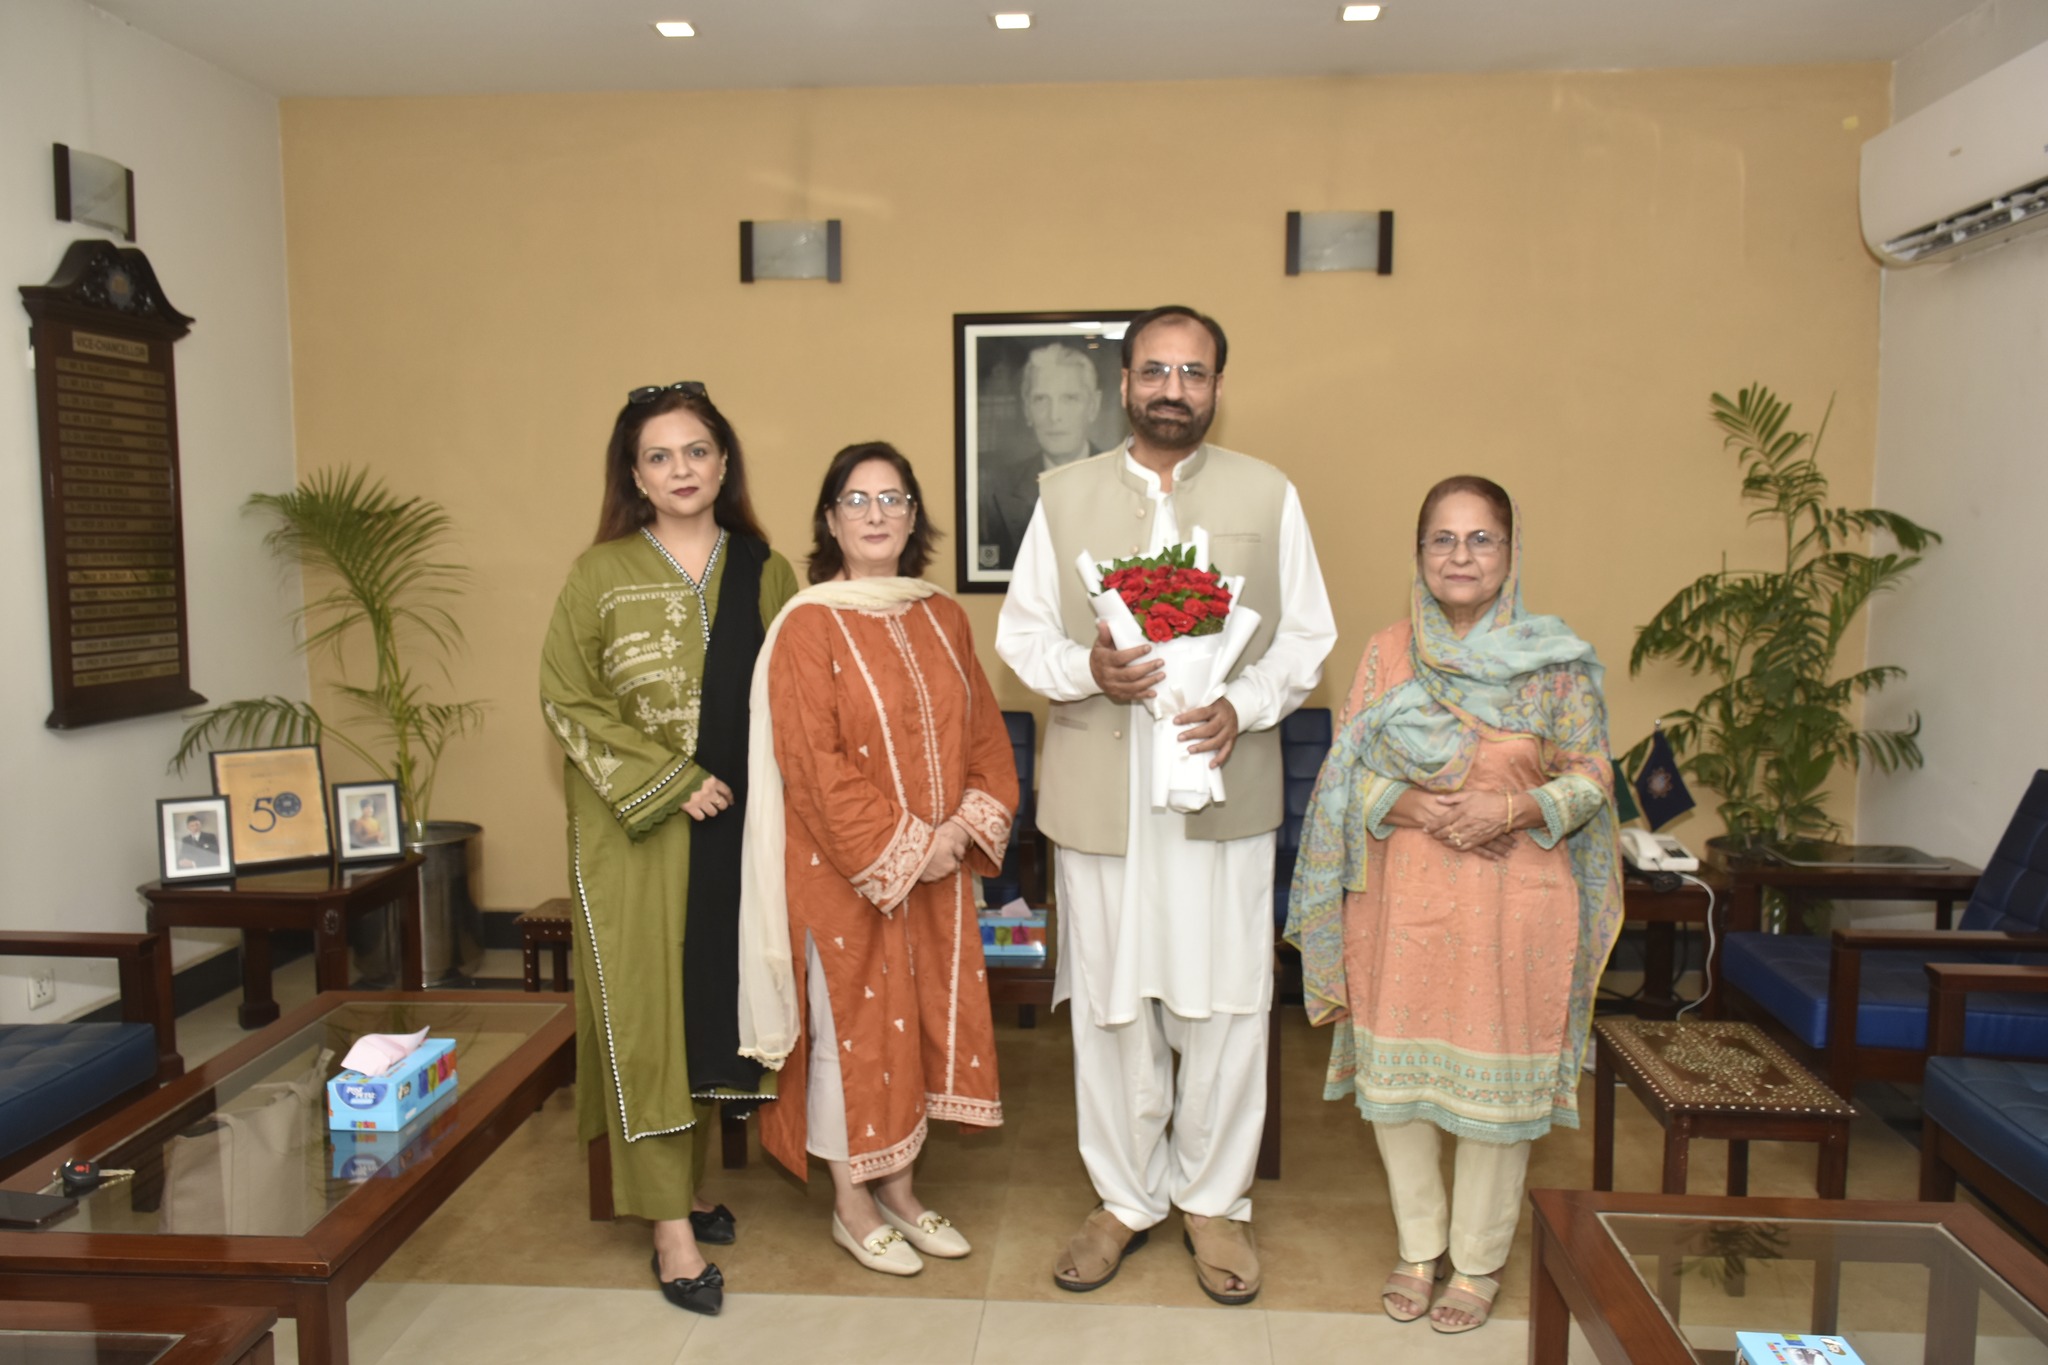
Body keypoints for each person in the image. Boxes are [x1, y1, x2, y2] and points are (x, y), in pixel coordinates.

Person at [994, 305, 1337, 1305]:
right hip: (1101, 802)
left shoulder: (1265, 493)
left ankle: (1213, 1203)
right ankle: (1123, 1201)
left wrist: (1242, 703)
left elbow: (1305, 640)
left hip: (1220, 798)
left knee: (1225, 1003)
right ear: (1124, 385)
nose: (1172, 388)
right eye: (1155, 370)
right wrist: (1087, 668)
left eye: (1192, 372)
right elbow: (1021, 640)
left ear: (1217, 386)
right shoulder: (1061, 498)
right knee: (1109, 1008)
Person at [1285, 475, 1623, 1335]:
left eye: (1481, 539)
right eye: (1444, 539)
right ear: (1420, 553)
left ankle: (1475, 1262)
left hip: (1517, 908)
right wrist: (1419, 805)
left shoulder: (1554, 661)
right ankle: (1417, 1246)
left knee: (1496, 1102)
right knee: (1399, 1090)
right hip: (1404, 900)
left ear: (1511, 554)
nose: (1461, 556)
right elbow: (1343, 775)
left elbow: (1592, 776)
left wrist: (1509, 808)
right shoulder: (1387, 652)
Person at [539, 381, 799, 1317]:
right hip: (636, 828)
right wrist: (673, 781)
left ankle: (687, 1186)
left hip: (741, 830)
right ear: (635, 475)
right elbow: (568, 700)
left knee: (706, 1013)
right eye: (660, 455)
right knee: (645, 1013)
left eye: (696, 451)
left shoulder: (765, 569)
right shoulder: (598, 573)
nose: (681, 469)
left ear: (724, 463)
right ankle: (667, 1227)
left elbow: (796, 695)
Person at [738, 442, 1018, 1278]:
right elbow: (811, 763)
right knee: (851, 1036)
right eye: (856, 500)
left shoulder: (942, 615)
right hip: (844, 873)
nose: (875, 514)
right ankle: (850, 1203)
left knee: (920, 1023)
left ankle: (899, 1187)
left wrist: (959, 833)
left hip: (938, 871)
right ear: (830, 520)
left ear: (913, 515)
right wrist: (907, 848)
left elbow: (984, 737)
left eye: (892, 498)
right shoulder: (807, 623)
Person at [978, 343, 1107, 573]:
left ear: (1093, 406)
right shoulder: (998, 490)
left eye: (1069, 398)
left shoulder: (1124, 481)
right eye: (1041, 400)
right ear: (1027, 410)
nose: (1054, 416)